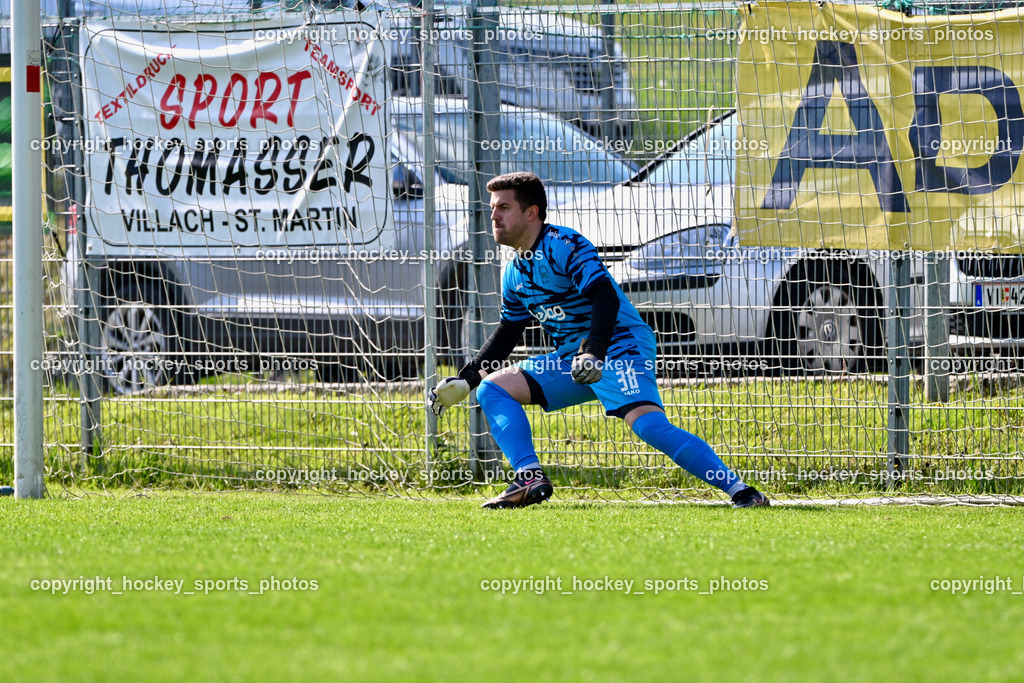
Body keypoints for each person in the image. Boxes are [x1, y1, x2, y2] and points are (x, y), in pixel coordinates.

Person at [428, 171, 769, 509]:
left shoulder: (565, 245)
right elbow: (509, 331)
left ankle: (742, 491)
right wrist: (467, 378)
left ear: (531, 213)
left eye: (503, 207)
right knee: (493, 389)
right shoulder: (513, 271)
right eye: (492, 208)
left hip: (619, 346)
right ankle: (529, 478)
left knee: (649, 425)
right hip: (573, 361)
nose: (494, 216)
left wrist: (594, 352)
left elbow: (604, 297)